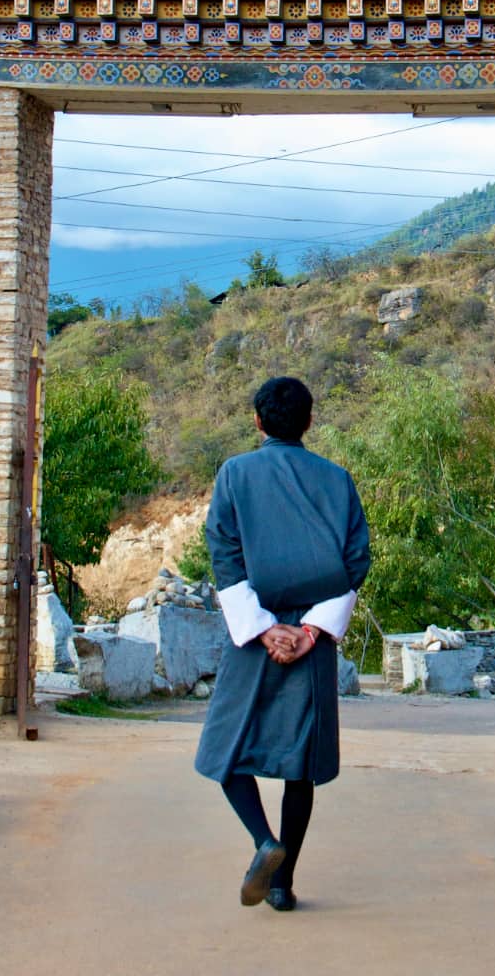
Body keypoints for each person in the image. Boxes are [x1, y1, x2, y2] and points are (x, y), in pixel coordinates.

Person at [195, 375, 370, 911]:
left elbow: (224, 552)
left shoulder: (235, 474)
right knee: (302, 764)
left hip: (254, 637)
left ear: (257, 420)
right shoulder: (337, 480)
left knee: (224, 751)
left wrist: (264, 628)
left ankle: (263, 842)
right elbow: (356, 561)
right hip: (312, 641)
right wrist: (311, 631)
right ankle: (281, 882)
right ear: (309, 422)